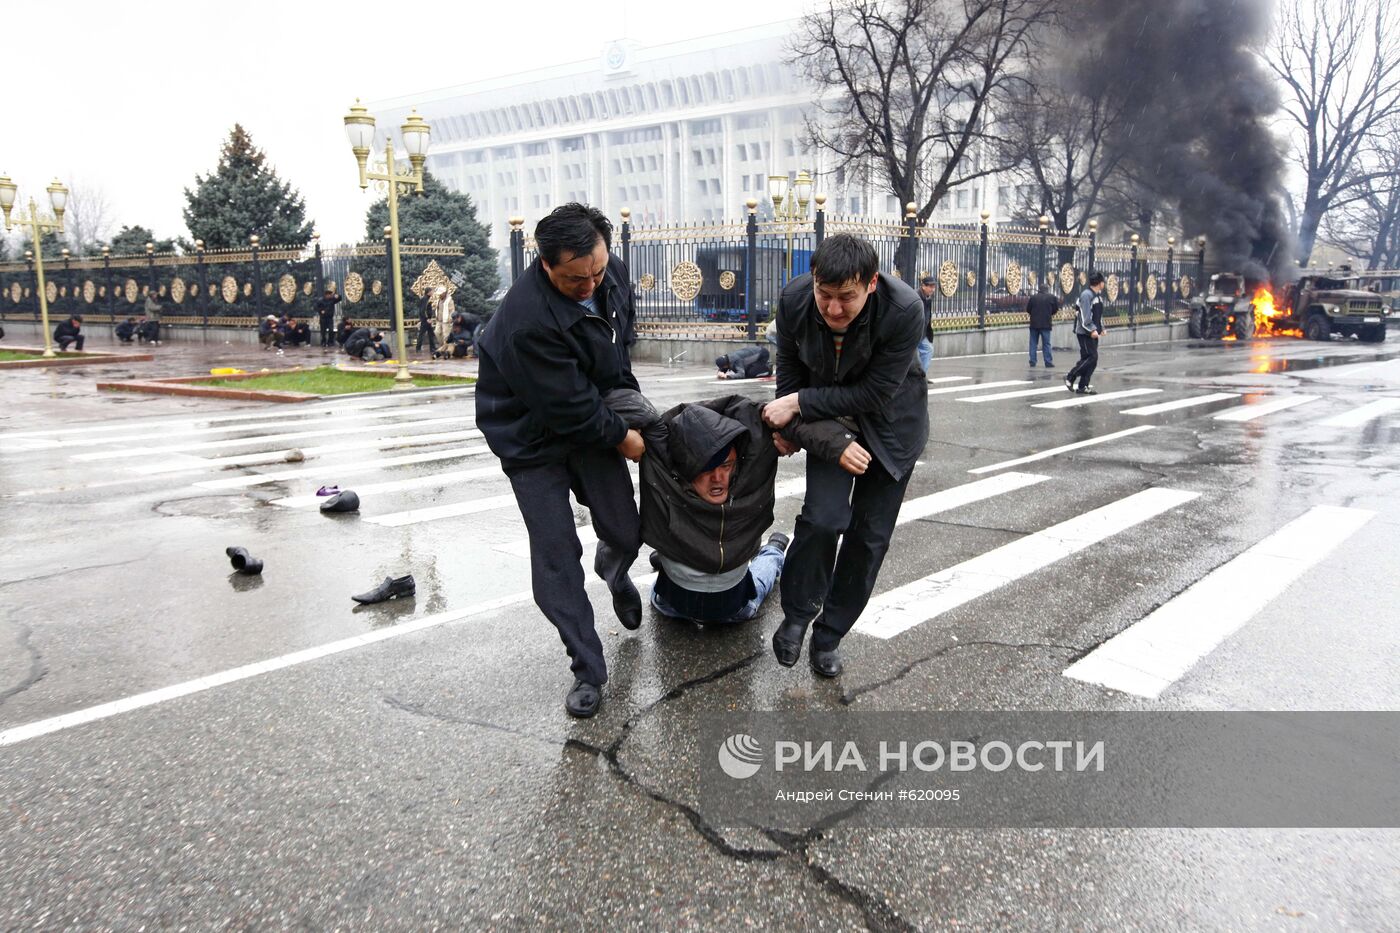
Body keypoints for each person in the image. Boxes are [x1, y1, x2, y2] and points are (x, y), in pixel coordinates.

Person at [474, 202, 645, 720]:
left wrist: (631, 405)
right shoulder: (527, 322)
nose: (590, 283)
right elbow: (568, 408)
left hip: (586, 414)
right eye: (575, 278)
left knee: (627, 528)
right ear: (546, 265)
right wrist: (624, 438)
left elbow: (617, 350)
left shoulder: (604, 270)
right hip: (531, 440)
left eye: (596, 270)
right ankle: (587, 668)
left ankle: (615, 570)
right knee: (556, 555)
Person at [762, 233, 929, 677]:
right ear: (813, 280)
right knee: (823, 518)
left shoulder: (905, 309)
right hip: (831, 427)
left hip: (891, 428)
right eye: (825, 294)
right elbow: (788, 385)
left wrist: (797, 407)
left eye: (847, 298)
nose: (833, 309)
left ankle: (830, 633)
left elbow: (875, 393)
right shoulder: (795, 301)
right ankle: (798, 615)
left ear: (871, 284)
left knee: (868, 539)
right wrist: (795, 428)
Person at [619, 392, 855, 626]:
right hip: (670, 607)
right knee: (676, 536)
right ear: (685, 467)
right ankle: (670, 557)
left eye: (726, 465)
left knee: (765, 569)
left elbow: (786, 420)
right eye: (706, 469)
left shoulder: (747, 478)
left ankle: (774, 549)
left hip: (737, 609)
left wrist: (838, 444)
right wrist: (622, 434)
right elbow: (622, 400)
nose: (718, 478)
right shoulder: (666, 474)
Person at [1065, 272, 1105, 395]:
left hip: (1094, 332)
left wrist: (1101, 327)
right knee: (1092, 357)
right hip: (1085, 333)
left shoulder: (1097, 296)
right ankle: (1071, 376)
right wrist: (1091, 329)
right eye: (1103, 282)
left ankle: (1083, 386)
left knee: (1089, 359)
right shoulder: (1086, 295)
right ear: (1100, 283)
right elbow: (1084, 316)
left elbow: (1098, 315)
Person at [1026, 285, 1059, 368]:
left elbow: (1028, 309)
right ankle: (1048, 362)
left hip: (1034, 323)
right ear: (1047, 290)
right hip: (1046, 323)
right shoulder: (1052, 298)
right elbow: (1055, 309)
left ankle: (1032, 361)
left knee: (1033, 343)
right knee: (1046, 344)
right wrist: (1049, 313)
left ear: (1039, 290)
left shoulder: (1033, 298)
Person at [916, 275, 936, 373]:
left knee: (928, 349)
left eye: (934, 287)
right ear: (923, 286)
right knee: (910, 357)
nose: (933, 289)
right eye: (931, 286)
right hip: (913, 332)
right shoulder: (916, 296)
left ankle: (921, 376)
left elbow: (927, 315)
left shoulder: (928, 298)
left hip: (921, 333)